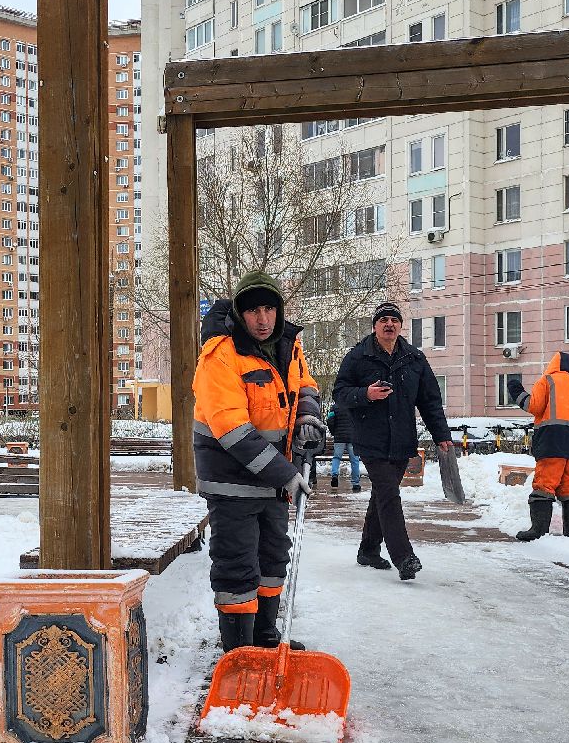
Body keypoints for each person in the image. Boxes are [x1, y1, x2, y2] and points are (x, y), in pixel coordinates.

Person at [193, 271, 324, 652]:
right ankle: (239, 650)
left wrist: (307, 418)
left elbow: (305, 385)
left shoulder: (288, 345)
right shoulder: (220, 355)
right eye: (253, 311)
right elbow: (232, 429)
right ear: (239, 313)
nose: (263, 319)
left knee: (272, 558)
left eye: (269, 309)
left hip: (273, 479)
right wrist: (287, 474)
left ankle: (265, 636)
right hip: (232, 481)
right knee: (238, 565)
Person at [333, 301, 452, 581]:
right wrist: (366, 395)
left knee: (381, 496)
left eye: (394, 320)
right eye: (383, 319)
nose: (389, 324)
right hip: (370, 439)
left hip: (401, 440)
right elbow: (340, 393)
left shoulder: (414, 358)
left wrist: (441, 435)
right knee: (389, 494)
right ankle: (404, 557)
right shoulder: (358, 356)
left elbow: (430, 401)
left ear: (400, 326)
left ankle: (368, 550)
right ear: (375, 326)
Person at [509, 352, 569, 540]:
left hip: (553, 440)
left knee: (545, 484)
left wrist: (515, 389)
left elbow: (534, 406)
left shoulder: (548, 381)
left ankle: (539, 530)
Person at [325, 401, 361, 492]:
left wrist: (334, 432)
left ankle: (334, 475)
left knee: (336, 458)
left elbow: (330, 420)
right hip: (352, 438)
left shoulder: (335, 407)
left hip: (339, 437)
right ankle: (356, 483)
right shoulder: (354, 405)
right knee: (355, 460)